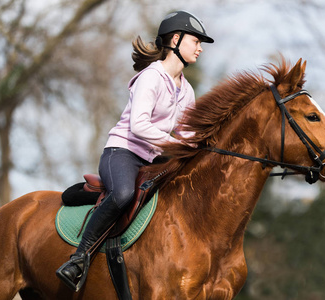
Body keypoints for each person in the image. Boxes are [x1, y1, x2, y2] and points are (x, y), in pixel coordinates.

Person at [56, 10, 214, 291]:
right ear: (176, 40)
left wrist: (205, 147)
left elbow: (186, 133)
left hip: (153, 158)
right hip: (123, 152)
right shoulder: (151, 77)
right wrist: (176, 143)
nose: (200, 48)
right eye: (196, 41)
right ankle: (78, 259)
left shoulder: (187, 91)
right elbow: (139, 126)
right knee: (123, 194)